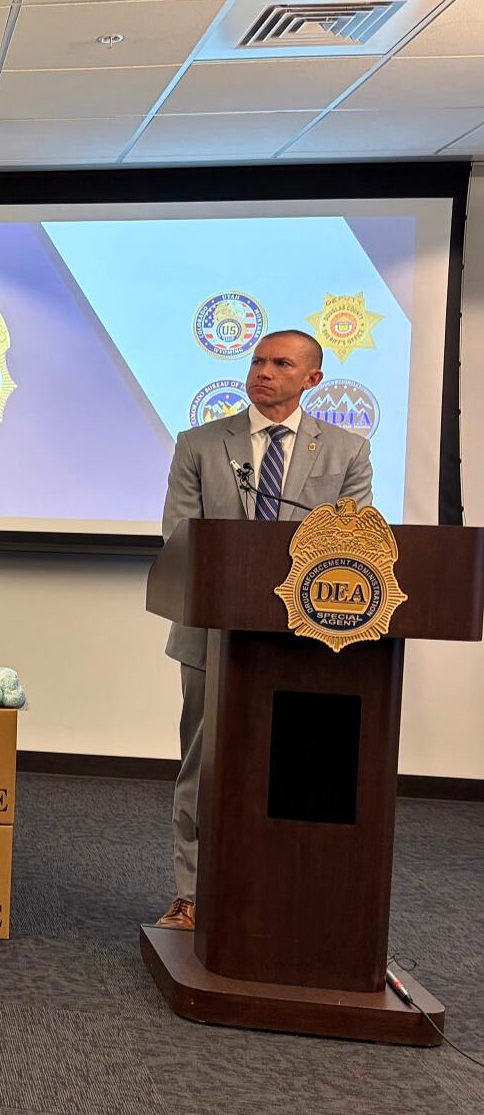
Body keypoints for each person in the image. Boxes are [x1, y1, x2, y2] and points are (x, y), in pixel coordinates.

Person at [155, 329, 373, 931]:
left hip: (307, 639)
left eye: (281, 363)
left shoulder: (347, 451)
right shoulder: (200, 443)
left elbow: (354, 544)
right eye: (257, 360)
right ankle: (191, 892)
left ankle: (290, 892)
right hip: (212, 634)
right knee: (202, 763)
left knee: (299, 769)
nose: (264, 371)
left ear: (312, 379)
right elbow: (180, 536)